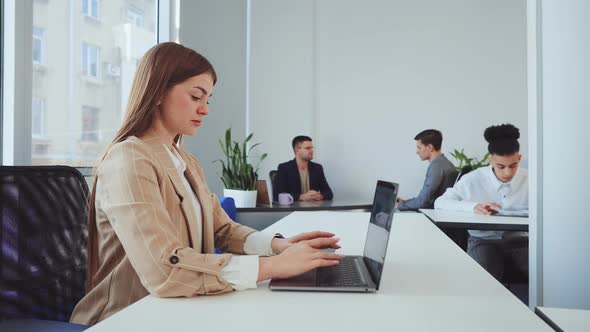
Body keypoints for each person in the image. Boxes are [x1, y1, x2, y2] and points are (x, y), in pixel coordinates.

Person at [70, 43, 343, 326]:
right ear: (159, 91)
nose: (205, 109)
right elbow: (163, 271)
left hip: (179, 311)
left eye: (208, 99)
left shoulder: (185, 160)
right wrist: (271, 267)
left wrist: (278, 246)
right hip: (126, 317)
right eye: (196, 96)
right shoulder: (128, 158)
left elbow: (222, 228)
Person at [434, 124, 528, 281]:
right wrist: (473, 207)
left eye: (513, 166)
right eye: (501, 166)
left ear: (519, 158)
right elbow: (441, 202)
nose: (508, 172)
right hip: (484, 240)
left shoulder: (532, 180)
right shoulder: (473, 179)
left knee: (545, 275)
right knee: (484, 279)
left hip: (522, 241)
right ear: (490, 160)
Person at [397, 129, 458, 211]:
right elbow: (425, 199)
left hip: (434, 214)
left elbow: (423, 202)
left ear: (430, 147)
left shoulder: (437, 167)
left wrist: (399, 206)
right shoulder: (442, 163)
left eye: (419, 148)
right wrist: (406, 202)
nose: (417, 151)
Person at [274, 136, 333, 202]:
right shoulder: (284, 168)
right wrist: (301, 197)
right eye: (308, 148)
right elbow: (277, 196)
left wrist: (320, 196)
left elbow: (329, 193)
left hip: (314, 208)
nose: (312, 151)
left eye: (312, 148)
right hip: (293, 210)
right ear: (297, 150)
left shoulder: (317, 168)